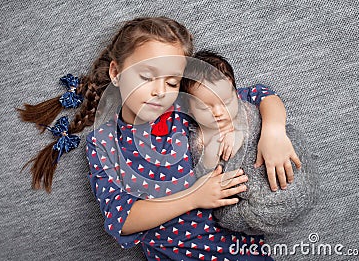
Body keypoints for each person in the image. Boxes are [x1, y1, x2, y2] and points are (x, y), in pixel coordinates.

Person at [16, 17, 289, 260]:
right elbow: (121, 219)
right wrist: (194, 197)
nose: (160, 91)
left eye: (171, 82)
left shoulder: (189, 105)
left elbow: (259, 94)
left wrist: (273, 132)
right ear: (116, 73)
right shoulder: (104, 143)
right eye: (147, 76)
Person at [181, 50, 317, 235]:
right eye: (205, 107)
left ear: (235, 93)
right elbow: (205, 173)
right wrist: (212, 144)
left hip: (279, 163)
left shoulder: (245, 104)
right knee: (227, 216)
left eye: (226, 100)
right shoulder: (194, 137)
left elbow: (265, 101)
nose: (219, 112)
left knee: (293, 156)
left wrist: (239, 128)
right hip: (249, 198)